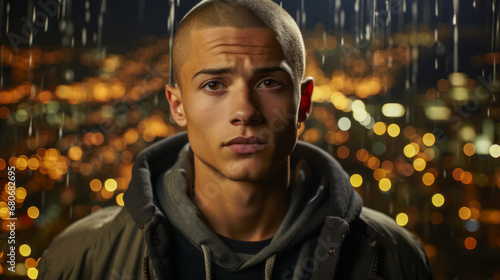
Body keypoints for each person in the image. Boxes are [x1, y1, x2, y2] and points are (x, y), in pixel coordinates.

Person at [39, 0, 433, 279]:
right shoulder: (83, 258)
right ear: (177, 105)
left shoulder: (392, 255)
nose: (245, 110)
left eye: (268, 82)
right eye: (214, 84)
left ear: (303, 102)